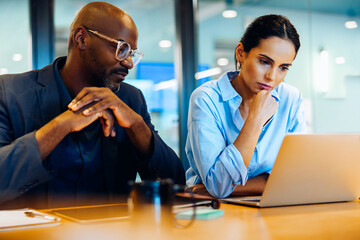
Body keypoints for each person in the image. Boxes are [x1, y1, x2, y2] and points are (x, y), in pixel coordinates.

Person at [0, 1, 185, 209]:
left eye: (132, 53)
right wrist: (62, 125)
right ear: (81, 39)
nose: (128, 63)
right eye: (121, 48)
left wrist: (137, 126)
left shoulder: (132, 100)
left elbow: (177, 185)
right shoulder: (10, 91)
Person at [185, 14, 306, 198]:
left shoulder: (291, 98)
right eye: (264, 62)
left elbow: (297, 177)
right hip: (217, 213)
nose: (272, 77)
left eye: (283, 67)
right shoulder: (206, 99)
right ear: (241, 53)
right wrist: (255, 120)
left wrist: (230, 188)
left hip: (272, 207)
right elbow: (219, 185)